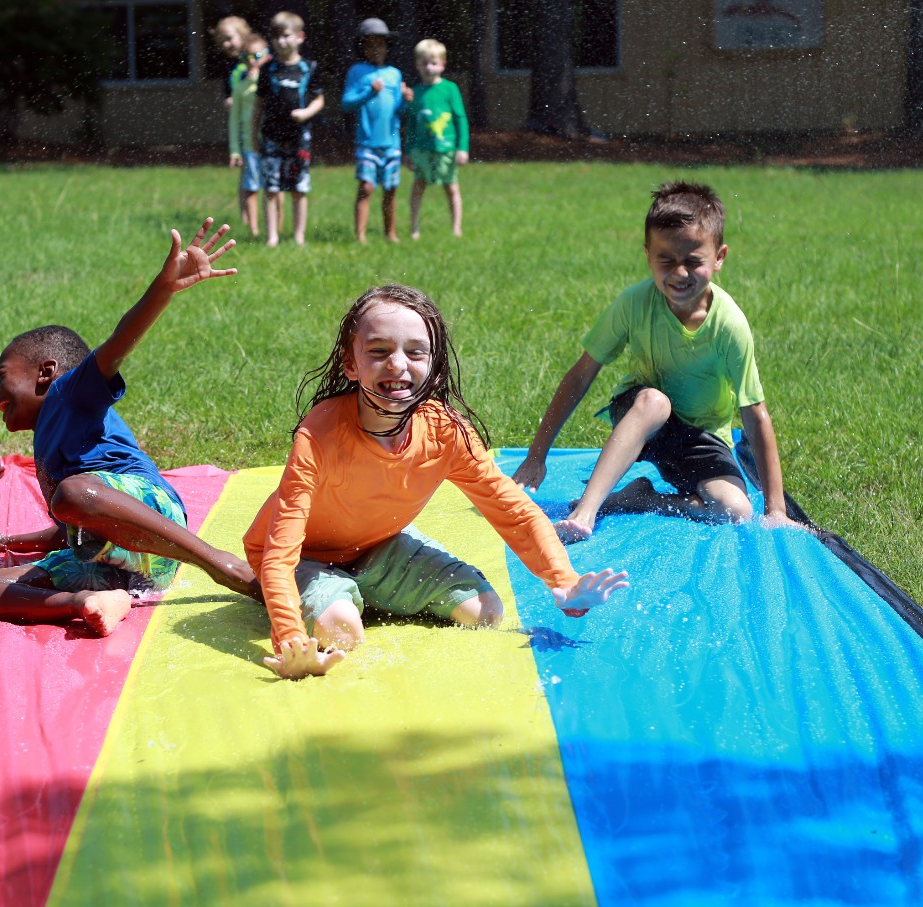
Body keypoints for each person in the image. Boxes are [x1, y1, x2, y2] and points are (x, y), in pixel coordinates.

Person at [243, 284, 628, 679]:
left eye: (415, 352)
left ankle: (359, 591)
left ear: (435, 365)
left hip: (375, 545)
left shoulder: (444, 431)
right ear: (351, 364)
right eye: (378, 351)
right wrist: (291, 640)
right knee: (343, 633)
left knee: (486, 612)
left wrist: (562, 581)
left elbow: (511, 509)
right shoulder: (319, 435)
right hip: (304, 556)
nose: (397, 364)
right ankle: (343, 599)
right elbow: (279, 551)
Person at [0, 220, 260, 636]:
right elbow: (71, 525)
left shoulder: (68, 393)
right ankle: (86, 604)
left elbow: (119, 342)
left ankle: (220, 563)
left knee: (72, 493)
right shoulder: (50, 444)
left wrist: (163, 289)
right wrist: (8, 543)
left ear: (46, 373)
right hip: (121, 570)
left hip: (156, 524)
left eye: (2, 376)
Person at [512, 181, 792, 540]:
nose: (679, 273)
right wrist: (537, 455)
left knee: (734, 511)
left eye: (693, 261)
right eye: (666, 260)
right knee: (655, 402)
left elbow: (755, 412)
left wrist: (777, 510)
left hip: (700, 435)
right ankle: (587, 511)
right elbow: (581, 375)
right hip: (641, 417)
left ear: (719, 257)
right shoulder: (633, 303)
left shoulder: (730, 324)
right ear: (648, 255)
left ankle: (642, 499)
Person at [254, 11, 324, 247]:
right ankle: (272, 236)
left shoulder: (309, 68)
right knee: (272, 188)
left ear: (299, 37)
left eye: (285, 36)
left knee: (298, 188)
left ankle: (298, 236)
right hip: (272, 136)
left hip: (299, 138)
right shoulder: (268, 69)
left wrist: (306, 113)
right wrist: (255, 132)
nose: (280, 41)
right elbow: (259, 103)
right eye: (275, 36)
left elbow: (319, 99)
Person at [341, 18, 406, 244]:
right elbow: (346, 103)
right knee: (366, 187)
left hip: (391, 142)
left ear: (387, 46)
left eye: (380, 44)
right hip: (367, 141)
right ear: (363, 47)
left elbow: (398, 108)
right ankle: (360, 236)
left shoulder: (394, 74)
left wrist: (406, 101)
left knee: (391, 189)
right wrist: (368, 92)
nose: (375, 49)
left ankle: (390, 233)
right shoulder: (357, 72)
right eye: (370, 44)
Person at [402, 38, 469, 239]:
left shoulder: (450, 89)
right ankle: (414, 228)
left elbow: (460, 119)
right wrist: (408, 151)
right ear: (417, 65)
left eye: (433, 63)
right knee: (418, 187)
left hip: (446, 148)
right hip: (421, 150)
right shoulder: (415, 93)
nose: (429, 68)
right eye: (424, 63)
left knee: (451, 187)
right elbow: (412, 125)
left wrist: (462, 147)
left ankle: (456, 228)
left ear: (442, 64)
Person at [227, 33, 270, 238]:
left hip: (271, 142)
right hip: (249, 146)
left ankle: (274, 229)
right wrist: (235, 150)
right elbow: (234, 121)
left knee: (274, 189)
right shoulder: (241, 87)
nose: (252, 61)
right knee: (251, 188)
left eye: (257, 55)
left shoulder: (272, 84)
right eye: (246, 58)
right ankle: (253, 231)